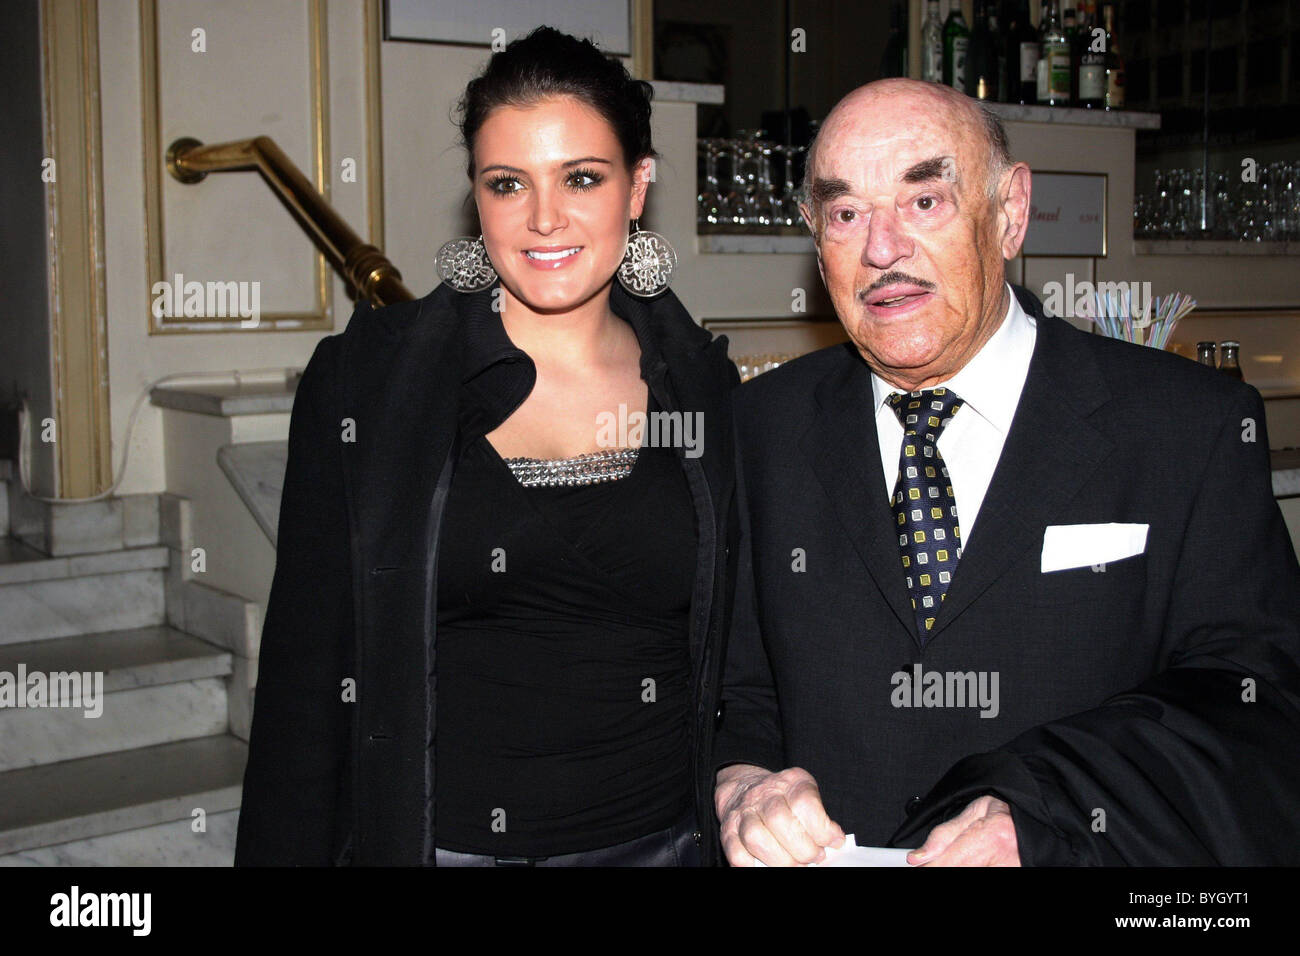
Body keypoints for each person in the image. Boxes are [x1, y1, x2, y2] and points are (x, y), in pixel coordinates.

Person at [713, 77, 1300, 866]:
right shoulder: (761, 429)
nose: (881, 251)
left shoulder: (1184, 427)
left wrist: (1045, 815)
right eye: (846, 214)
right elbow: (735, 686)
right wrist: (743, 783)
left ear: (1012, 212)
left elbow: (1255, 704)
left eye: (925, 202)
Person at [235, 26, 740, 866]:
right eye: (508, 184)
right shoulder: (370, 382)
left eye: (582, 177)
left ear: (638, 186)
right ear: (478, 198)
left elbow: (745, 663)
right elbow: (304, 687)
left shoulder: (705, 389)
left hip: (667, 846)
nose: (545, 218)